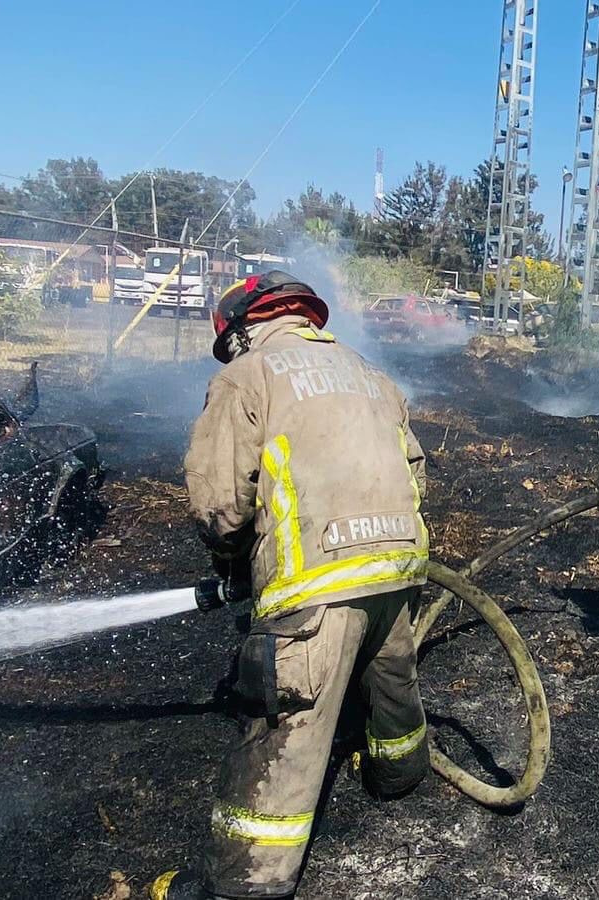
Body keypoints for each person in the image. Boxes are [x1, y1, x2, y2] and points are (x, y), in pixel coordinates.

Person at [151, 271, 431, 899]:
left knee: (287, 728)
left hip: (316, 579)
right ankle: (399, 773)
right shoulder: (369, 373)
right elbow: (414, 468)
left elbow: (221, 499)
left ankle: (242, 885)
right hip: (397, 559)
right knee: (390, 673)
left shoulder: (246, 377)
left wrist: (231, 564)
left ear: (244, 328)